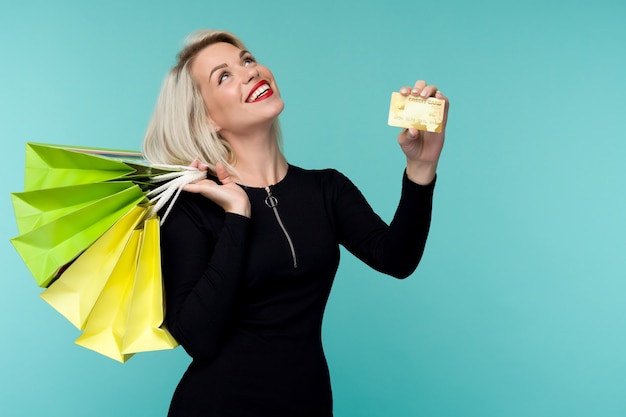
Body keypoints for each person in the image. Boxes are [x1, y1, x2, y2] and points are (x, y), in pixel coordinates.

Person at [143, 29, 448, 417]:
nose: (250, 72)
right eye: (224, 76)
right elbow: (198, 339)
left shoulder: (326, 189)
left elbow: (397, 259)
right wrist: (237, 214)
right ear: (206, 119)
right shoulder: (193, 206)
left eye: (247, 60)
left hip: (308, 403)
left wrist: (421, 168)